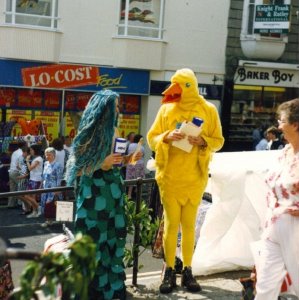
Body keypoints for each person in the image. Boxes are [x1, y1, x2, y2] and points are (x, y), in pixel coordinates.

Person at [147, 68, 224, 294]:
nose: (175, 90)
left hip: (194, 179)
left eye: (180, 85)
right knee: (171, 226)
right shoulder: (165, 110)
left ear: (190, 86)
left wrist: (203, 140)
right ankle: (169, 270)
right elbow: (152, 138)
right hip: (170, 178)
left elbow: (218, 141)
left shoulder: (208, 110)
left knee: (189, 227)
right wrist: (166, 137)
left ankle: (188, 270)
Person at [65, 89, 141, 300]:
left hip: (112, 195)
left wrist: (125, 159)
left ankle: (111, 289)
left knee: (112, 241)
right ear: (104, 109)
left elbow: (115, 163)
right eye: (115, 106)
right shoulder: (88, 133)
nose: (119, 109)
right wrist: (102, 163)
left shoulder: (115, 130)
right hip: (93, 198)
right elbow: (76, 169)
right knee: (93, 242)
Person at [254, 98, 299, 300]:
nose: (279, 126)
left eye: (282, 121)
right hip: (274, 228)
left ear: (296, 124)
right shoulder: (284, 153)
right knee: (264, 286)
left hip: (296, 229)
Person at [40, 147, 63, 227]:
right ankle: (49, 220)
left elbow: (59, 178)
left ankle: (58, 220)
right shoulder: (46, 163)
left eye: (49, 155)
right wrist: (41, 186)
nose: (47, 156)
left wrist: (57, 189)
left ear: (54, 155)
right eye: (46, 155)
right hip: (45, 187)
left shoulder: (58, 165)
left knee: (51, 204)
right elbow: (43, 176)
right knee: (46, 204)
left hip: (54, 188)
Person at [21, 144, 44, 218]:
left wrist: (27, 161)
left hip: (36, 179)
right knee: (32, 197)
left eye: (31, 150)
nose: (30, 151)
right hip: (33, 179)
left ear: (35, 150)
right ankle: (35, 211)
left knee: (27, 195)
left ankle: (38, 207)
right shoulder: (36, 158)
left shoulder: (39, 158)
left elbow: (30, 168)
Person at [125, 134, 145, 199]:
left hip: (131, 164)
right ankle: (137, 192)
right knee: (139, 178)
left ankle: (129, 194)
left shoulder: (130, 145)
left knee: (131, 178)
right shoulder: (141, 147)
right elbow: (143, 154)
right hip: (139, 164)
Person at [7, 141, 26, 208]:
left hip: (11, 171)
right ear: (24, 146)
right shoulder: (22, 153)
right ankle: (21, 204)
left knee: (12, 190)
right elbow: (20, 166)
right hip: (16, 172)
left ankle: (10, 204)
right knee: (21, 188)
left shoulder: (15, 152)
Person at [16, 145, 31, 215]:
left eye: (23, 152)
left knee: (21, 195)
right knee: (22, 195)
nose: (22, 154)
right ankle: (27, 209)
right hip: (22, 179)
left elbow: (29, 172)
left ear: (27, 153)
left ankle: (29, 208)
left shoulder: (28, 160)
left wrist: (21, 177)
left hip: (24, 180)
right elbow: (24, 170)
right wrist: (19, 168)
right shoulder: (24, 159)